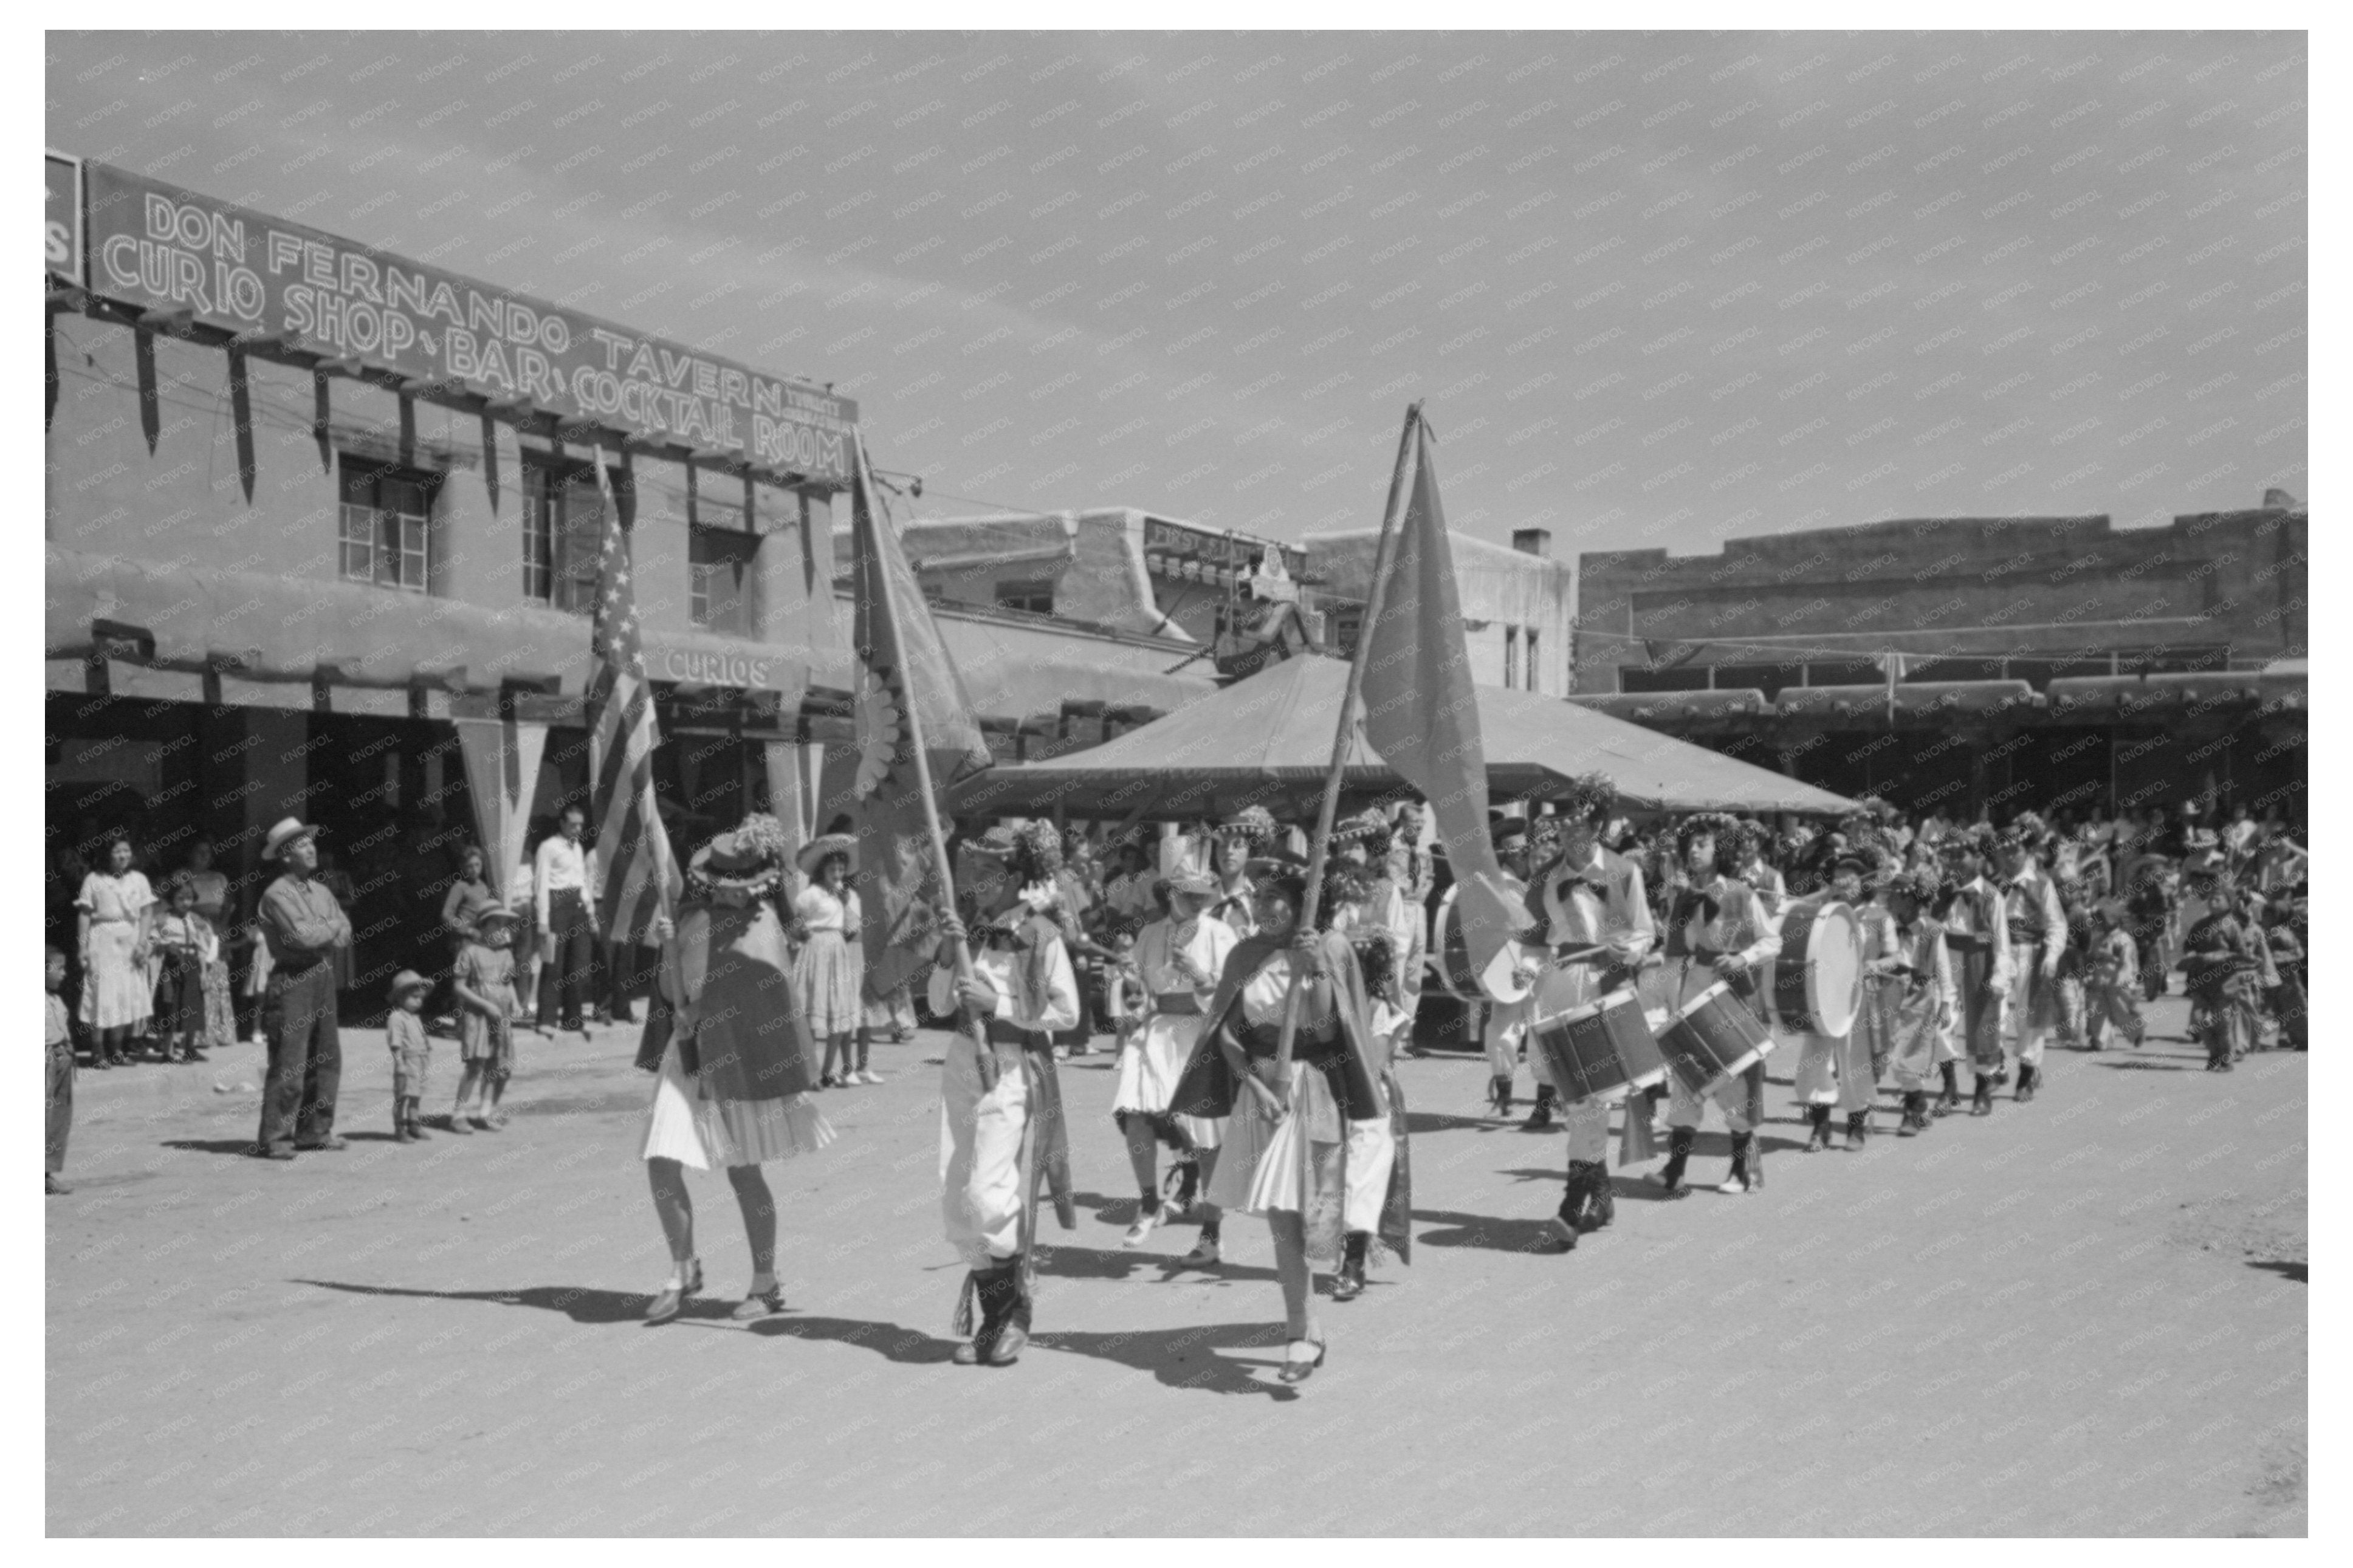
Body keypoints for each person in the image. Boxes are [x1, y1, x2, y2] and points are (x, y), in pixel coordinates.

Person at [1171, 866, 1389, 1383]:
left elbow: (1327, 1027)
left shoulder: (1331, 948)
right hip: (1261, 1093)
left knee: (1308, 1208)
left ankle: (1310, 1318)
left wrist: (1313, 970)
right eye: (1261, 897)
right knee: (1279, 1213)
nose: (1266, 907)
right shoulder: (1245, 953)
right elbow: (1226, 1032)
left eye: (1278, 899)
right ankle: (1304, 1328)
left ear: (1302, 903)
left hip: (1311, 1087)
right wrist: (1256, 1083)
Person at [641, 814, 834, 1324]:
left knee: (745, 1171)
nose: (726, 895)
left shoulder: (766, 929)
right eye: (719, 886)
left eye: (737, 887)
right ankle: (683, 1269)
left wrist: (708, 1013)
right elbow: (668, 990)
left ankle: (765, 1282)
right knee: (660, 1160)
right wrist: (667, 949)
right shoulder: (690, 917)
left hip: (738, 1056)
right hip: (686, 1055)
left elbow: (767, 1003)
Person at [930, 821, 1082, 1369]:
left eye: (989, 872)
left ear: (1015, 877)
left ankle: (1014, 1309)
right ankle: (995, 1317)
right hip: (962, 1065)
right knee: (957, 1204)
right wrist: (950, 953)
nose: (977, 882)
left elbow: (1069, 1014)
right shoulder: (969, 930)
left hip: (1012, 1066)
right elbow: (940, 1005)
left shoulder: (1041, 934)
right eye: (975, 872)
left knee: (988, 1194)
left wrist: (994, 1005)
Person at [1522, 775, 1655, 1245]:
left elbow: (1644, 931)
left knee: (1588, 1097)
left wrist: (1625, 950)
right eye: (1560, 824)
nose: (1564, 831)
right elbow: (1533, 944)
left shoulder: (1623, 871)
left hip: (1605, 988)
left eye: (1574, 820)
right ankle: (1598, 1196)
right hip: (1559, 989)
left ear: (1596, 823)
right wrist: (1523, 971)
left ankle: (1576, 1200)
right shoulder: (1544, 879)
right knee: (1574, 1096)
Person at [1652, 815, 1780, 1196]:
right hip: (1692, 995)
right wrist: (1667, 1003)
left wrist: (1742, 958)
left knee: (1733, 1084)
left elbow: (1772, 942)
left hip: (1732, 997)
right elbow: (1674, 957)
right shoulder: (1685, 897)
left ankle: (1743, 1171)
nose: (1693, 850)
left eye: (1702, 844)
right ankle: (1674, 1171)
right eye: (1689, 845)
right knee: (1686, 1082)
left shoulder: (1741, 894)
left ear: (1719, 851)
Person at [1110, 871, 1237, 1251]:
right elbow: (1141, 996)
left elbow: (1235, 991)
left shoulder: (1219, 933)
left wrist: (1199, 976)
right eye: (1189, 895)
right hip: (1157, 1031)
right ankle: (1148, 1204)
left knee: (1206, 1136)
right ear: (1170, 894)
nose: (1198, 902)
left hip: (1202, 1033)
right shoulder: (1150, 934)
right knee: (1135, 1114)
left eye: (1203, 895)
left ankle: (1211, 1234)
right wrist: (1132, 989)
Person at [250, 817, 352, 1159]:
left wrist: (326, 927)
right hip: (292, 979)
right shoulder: (276, 894)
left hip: (322, 975)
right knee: (290, 1060)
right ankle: (277, 1137)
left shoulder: (322, 891)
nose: (311, 850)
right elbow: (301, 937)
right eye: (301, 845)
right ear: (284, 856)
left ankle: (315, 1131)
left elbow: (344, 933)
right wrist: (328, 926)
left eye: (311, 843)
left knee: (327, 1056)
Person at [1787, 851, 1880, 1153]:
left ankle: (1856, 1127)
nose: (1843, 883)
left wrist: (1879, 965)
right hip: (1823, 997)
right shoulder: (1824, 911)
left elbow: (1894, 954)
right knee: (1814, 1062)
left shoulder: (1877, 915)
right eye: (1838, 878)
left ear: (1863, 884)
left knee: (1854, 1062)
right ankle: (1821, 1127)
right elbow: (1791, 907)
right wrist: (1827, 894)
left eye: (1851, 879)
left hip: (1856, 999)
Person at [1935, 830, 2013, 1118]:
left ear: (1977, 858)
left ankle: (1982, 1090)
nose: (1955, 862)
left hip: (1980, 962)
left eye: (1961, 855)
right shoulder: (1943, 893)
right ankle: (1949, 1087)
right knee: (1941, 1025)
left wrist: (1999, 977)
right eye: (1950, 856)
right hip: (1947, 962)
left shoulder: (1992, 896)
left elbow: (2002, 942)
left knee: (1985, 1027)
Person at [1877, 869, 1956, 1134]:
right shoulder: (1885, 926)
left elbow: (1943, 968)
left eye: (1893, 897)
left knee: (1909, 1056)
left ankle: (1911, 1114)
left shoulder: (1932, 930)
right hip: (1890, 995)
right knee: (1891, 1054)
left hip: (1920, 998)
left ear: (1909, 901)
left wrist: (1947, 1002)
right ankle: (1919, 1104)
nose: (1887, 902)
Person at [1996, 814, 2069, 1105]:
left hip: (2032, 953)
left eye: (2016, 849)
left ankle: (2027, 1072)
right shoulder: (1991, 886)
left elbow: (2057, 924)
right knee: (1994, 1014)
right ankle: (1995, 1061)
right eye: (2005, 850)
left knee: (2029, 1017)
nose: (2011, 855)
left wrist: (2052, 955)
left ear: (2027, 851)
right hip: (2000, 954)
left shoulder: (2042, 883)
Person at [75, 831, 155, 1069]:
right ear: (106, 854)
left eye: (126, 851)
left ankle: (117, 1049)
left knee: (123, 994)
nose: (123, 856)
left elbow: (147, 913)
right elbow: (85, 913)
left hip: (130, 941)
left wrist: (143, 943)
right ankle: (98, 1050)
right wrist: (82, 947)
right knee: (102, 993)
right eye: (117, 851)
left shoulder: (139, 879)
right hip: (102, 941)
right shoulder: (93, 879)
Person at [791, 833, 866, 1087]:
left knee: (840, 1012)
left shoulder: (843, 895)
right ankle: (810, 1070)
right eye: (833, 868)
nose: (837, 873)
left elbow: (853, 927)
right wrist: (803, 934)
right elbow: (797, 925)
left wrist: (845, 903)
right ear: (822, 870)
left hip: (838, 951)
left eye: (841, 869)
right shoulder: (811, 894)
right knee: (813, 1010)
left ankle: (827, 1069)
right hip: (815, 949)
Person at [2180, 853, 2261, 1072]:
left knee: (2222, 1023)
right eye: (2212, 898)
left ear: (2229, 903)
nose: (2213, 901)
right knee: (2198, 1019)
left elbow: (2242, 952)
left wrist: (2224, 957)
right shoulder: (2200, 925)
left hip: (2225, 983)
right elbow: (2188, 946)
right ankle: (2213, 1051)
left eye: (2219, 899)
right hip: (2201, 981)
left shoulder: (2232, 926)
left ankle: (2223, 1058)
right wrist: (2190, 956)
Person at [447, 898, 520, 1132]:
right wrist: (485, 1006)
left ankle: (486, 1111)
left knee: (498, 1065)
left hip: (501, 1016)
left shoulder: (507, 955)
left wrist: (516, 1004)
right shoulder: (470, 952)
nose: (502, 930)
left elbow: (507, 984)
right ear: (484, 926)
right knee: (476, 1065)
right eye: (496, 924)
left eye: (505, 925)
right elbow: (459, 986)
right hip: (478, 1016)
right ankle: (459, 1114)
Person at [534, 804, 599, 1036]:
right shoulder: (548, 847)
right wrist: (543, 919)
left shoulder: (579, 848)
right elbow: (540, 883)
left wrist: (590, 914)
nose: (578, 829)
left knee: (579, 965)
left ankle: (573, 1018)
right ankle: (547, 1019)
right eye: (573, 824)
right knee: (554, 964)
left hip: (578, 906)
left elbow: (582, 883)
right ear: (562, 823)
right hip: (556, 905)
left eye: (581, 824)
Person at [148, 873, 219, 1064]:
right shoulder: (163, 919)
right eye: (180, 898)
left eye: (188, 898)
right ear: (172, 898)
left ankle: (190, 1048)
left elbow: (202, 948)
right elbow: (152, 939)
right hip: (172, 967)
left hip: (192, 966)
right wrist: (163, 946)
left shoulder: (196, 920)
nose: (185, 903)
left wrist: (204, 973)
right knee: (171, 1007)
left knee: (191, 1007)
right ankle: (168, 1051)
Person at [179, 838, 239, 1057]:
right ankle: (195, 1035)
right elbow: (179, 901)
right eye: (200, 852)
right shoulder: (183, 875)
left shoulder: (219, 877)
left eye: (208, 853)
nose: (205, 856)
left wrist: (220, 926)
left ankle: (219, 1032)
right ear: (190, 854)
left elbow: (228, 904)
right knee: (197, 981)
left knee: (217, 979)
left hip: (216, 928)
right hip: (193, 928)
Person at [437, 843, 493, 1030]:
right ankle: (461, 1026)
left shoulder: (485, 886)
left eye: (477, 865)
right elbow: (447, 914)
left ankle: (475, 1022)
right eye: (470, 866)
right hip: (464, 942)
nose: (474, 870)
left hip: (481, 941)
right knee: (462, 983)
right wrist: (466, 930)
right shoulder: (460, 887)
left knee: (478, 982)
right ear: (463, 867)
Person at [2082, 902, 2148, 1051]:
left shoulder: (2123, 940)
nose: (2098, 923)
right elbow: (2091, 959)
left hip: (2117, 985)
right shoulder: (2099, 939)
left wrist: (2112, 958)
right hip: (2099, 983)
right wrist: (2087, 974)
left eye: (2102, 919)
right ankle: (2100, 1040)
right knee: (2096, 1012)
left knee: (2121, 1013)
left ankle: (2136, 1033)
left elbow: (2127, 964)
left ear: (2112, 920)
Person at [385, 970, 434, 1143]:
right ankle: (399, 1127)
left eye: (421, 998)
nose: (418, 1002)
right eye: (414, 997)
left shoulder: (415, 1018)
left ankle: (414, 1124)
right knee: (402, 1095)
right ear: (399, 997)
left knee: (416, 1094)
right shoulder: (397, 1018)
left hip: (420, 1062)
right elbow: (396, 1043)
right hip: (406, 1062)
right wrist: (399, 1064)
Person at [47, 947, 75, 1196]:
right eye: (60, 968)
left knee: (58, 1118)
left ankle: (46, 1173)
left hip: (61, 1060)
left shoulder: (56, 999)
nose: (65, 974)